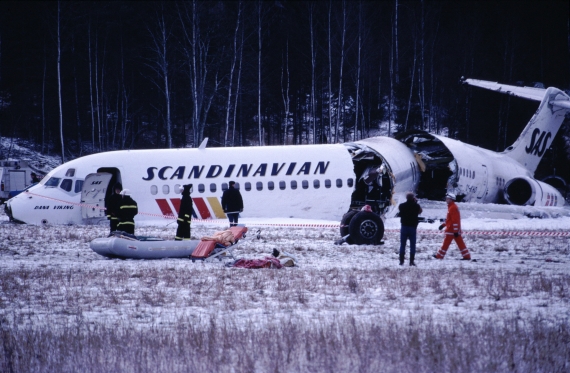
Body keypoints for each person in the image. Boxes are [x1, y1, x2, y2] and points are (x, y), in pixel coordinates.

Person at [433, 193, 471, 260]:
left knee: (446, 243)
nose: (446, 200)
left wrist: (455, 231)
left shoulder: (453, 208)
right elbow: (449, 220)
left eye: (447, 199)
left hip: (451, 230)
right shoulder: (452, 207)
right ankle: (466, 256)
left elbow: (455, 220)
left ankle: (439, 256)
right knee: (460, 243)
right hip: (454, 230)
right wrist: (443, 225)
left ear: (451, 199)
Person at [398, 192, 423, 266]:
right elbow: (420, 211)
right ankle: (411, 261)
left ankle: (401, 261)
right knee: (412, 245)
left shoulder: (401, 206)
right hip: (412, 227)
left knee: (402, 245)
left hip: (404, 227)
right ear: (413, 198)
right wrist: (415, 202)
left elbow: (400, 210)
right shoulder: (416, 206)